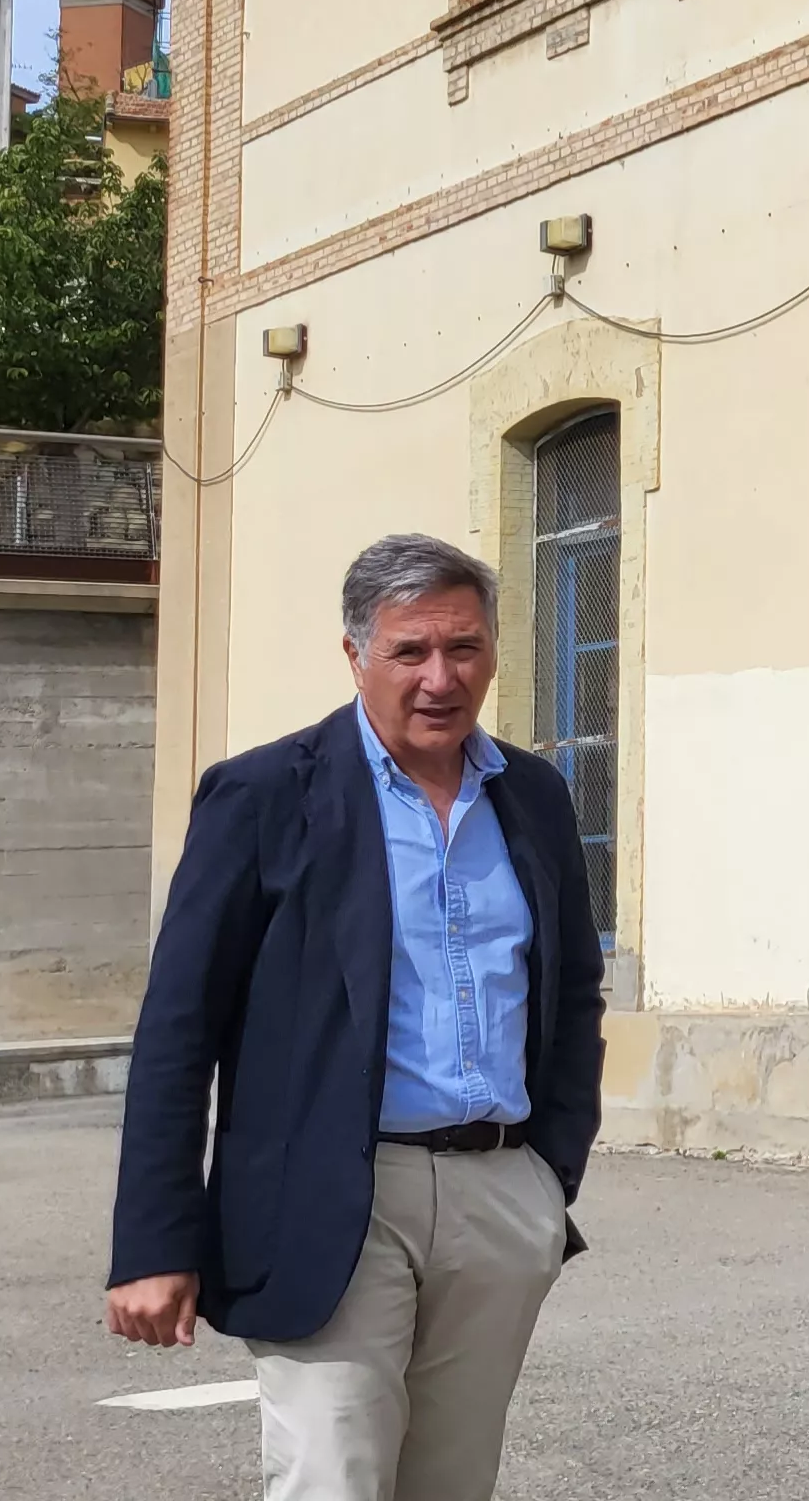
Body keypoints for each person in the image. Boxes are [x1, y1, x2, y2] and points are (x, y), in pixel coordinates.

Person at [105, 533, 607, 1501]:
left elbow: (572, 987)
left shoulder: (533, 798)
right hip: (335, 1198)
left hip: (498, 1195)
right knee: (332, 1479)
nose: (439, 677)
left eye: (462, 648)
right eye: (409, 651)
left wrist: (549, 1174)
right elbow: (178, 1027)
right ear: (354, 656)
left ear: (494, 652)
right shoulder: (262, 797)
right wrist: (153, 1241)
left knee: (452, 1484)